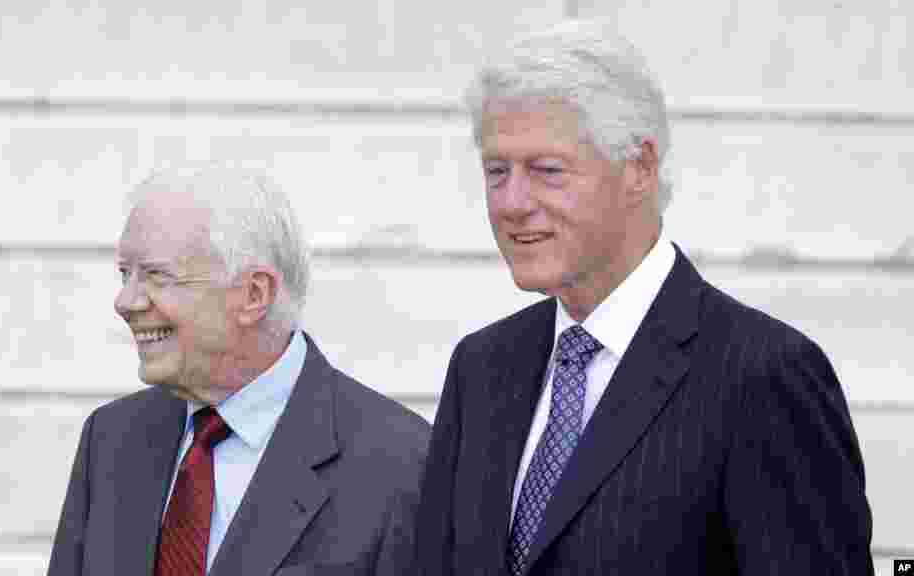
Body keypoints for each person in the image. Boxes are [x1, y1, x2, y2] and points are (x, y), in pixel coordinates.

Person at [414, 19, 872, 575]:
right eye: (496, 171)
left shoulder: (762, 376)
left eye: (547, 171)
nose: (511, 203)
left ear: (638, 168)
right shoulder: (482, 369)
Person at [47, 164, 430, 576]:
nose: (125, 301)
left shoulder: (399, 464)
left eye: (156, 275)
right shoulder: (111, 441)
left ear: (253, 295)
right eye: (126, 274)